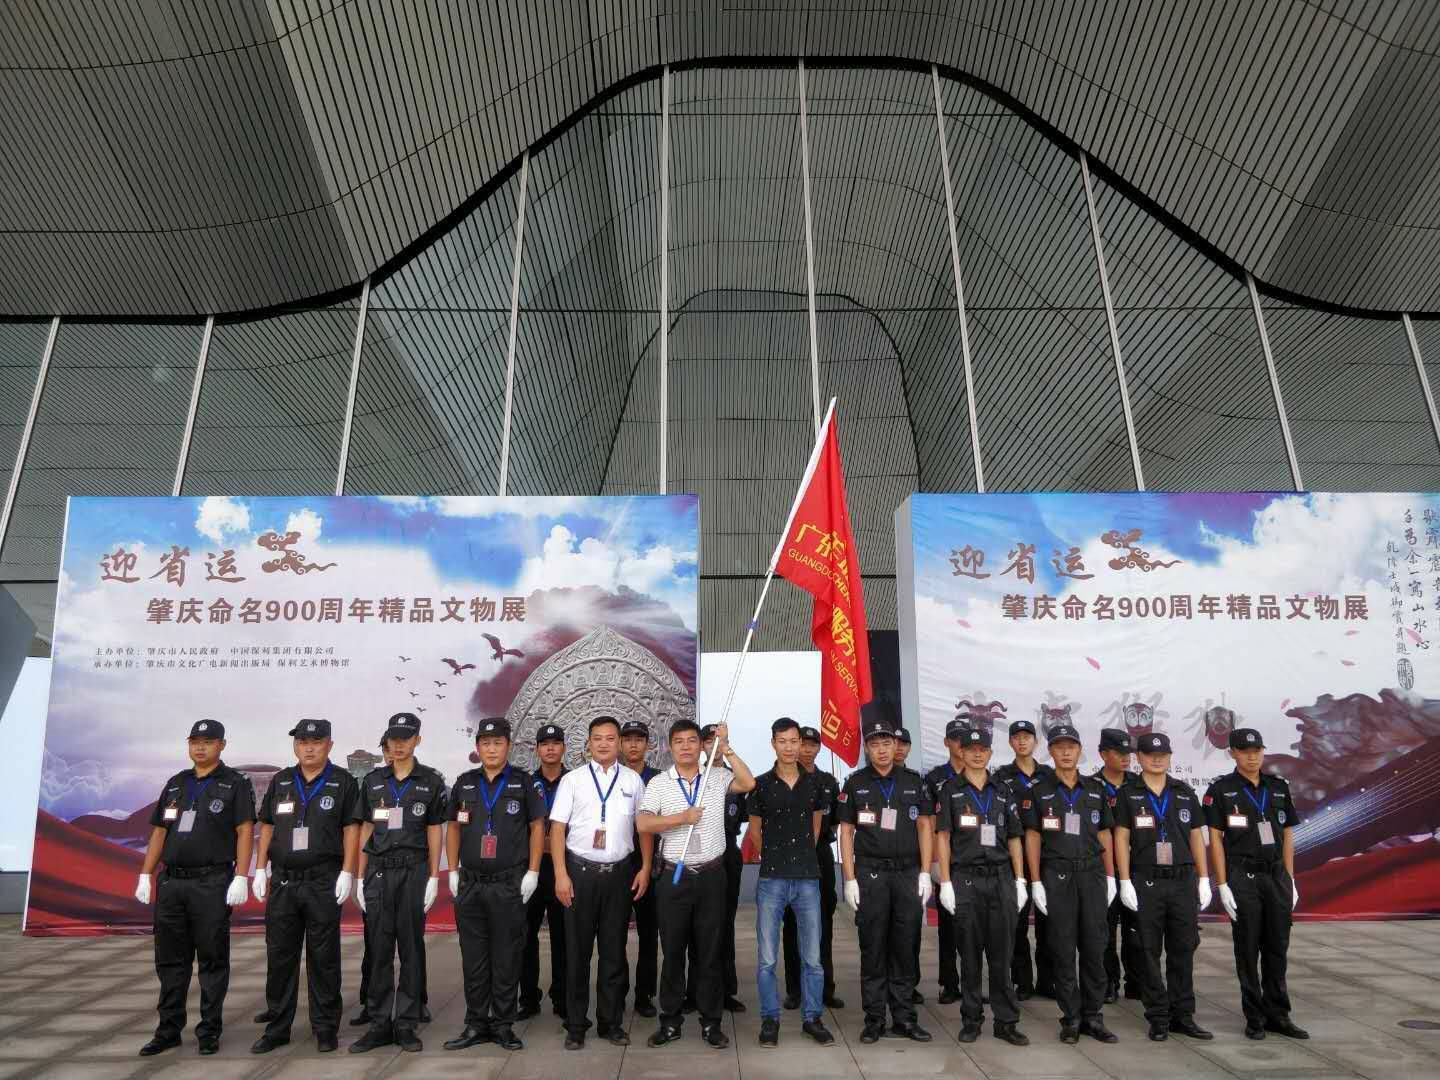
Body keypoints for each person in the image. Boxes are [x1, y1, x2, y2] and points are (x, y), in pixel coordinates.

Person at [135, 719, 256, 1057]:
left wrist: (241, 876)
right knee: (170, 961)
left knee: (212, 959)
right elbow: (160, 831)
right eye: (194, 742)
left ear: (222, 745)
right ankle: (168, 1030)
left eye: (208, 742)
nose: (200, 748)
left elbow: (245, 830)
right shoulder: (177, 783)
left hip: (211, 882)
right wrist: (145, 874)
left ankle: (209, 1030)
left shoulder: (234, 783)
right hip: (173, 883)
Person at [637, 719, 756, 1048]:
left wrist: (726, 747)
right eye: (679, 741)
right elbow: (644, 822)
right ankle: (670, 1022)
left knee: (709, 952)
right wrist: (682, 818)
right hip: (674, 877)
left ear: (701, 746)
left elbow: (748, 782)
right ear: (670, 746)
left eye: (692, 740)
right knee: (673, 952)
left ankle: (711, 1022)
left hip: (711, 877)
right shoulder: (660, 783)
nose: (686, 746)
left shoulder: (716, 777)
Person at [250, 718, 361, 1054]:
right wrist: (259, 868)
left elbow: (352, 829)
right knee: (279, 956)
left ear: (329, 745)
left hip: (322, 880)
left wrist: (348, 872)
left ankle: (325, 1027)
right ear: (295, 745)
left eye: (316, 742)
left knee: (323, 958)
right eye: (302, 742)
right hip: (284, 881)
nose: (308, 748)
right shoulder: (282, 780)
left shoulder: (342, 781)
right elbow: (267, 825)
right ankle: (277, 1028)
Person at [443, 717, 545, 1052]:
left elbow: (537, 827)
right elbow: (454, 827)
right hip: (471, 884)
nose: (491, 749)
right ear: (477, 747)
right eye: (485, 743)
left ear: (508, 746)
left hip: (507, 884)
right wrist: (453, 870)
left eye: (497, 743)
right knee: (473, 957)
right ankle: (475, 1024)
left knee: (506, 956)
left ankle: (503, 1025)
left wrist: (533, 871)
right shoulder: (465, 784)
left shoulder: (523, 782)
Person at [549, 715, 651, 1050]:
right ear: (588, 743)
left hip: (619, 875)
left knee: (613, 953)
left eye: (610, 738)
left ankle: (611, 1023)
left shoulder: (633, 781)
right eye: (597, 738)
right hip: (579, 874)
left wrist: (645, 867)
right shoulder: (573, 781)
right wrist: (561, 874)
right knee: (576, 954)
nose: (604, 744)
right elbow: (557, 829)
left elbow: (643, 827)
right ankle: (576, 1025)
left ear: (619, 743)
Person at [350, 712, 446, 1054]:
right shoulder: (373, 781)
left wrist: (434, 876)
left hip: (412, 871)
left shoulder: (430, 782)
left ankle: (406, 1023)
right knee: (378, 948)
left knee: (410, 947)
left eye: (405, 738)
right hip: (378, 871)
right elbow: (365, 828)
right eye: (393, 739)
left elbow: (434, 831)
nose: (399, 745)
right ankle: (379, 1023)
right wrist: (359, 876)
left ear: (417, 740)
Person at [1205, 727, 1308, 1041]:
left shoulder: (1277, 787)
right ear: (1233, 753)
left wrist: (1290, 878)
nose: (1252, 757)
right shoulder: (1222, 790)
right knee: (1248, 949)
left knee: (1277, 947)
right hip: (1243, 876)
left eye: (1257, 751)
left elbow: (1288, 834)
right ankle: (1255, 1017)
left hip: (1275, 876)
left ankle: (1279, 1014)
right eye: (1245, 751)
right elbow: (1215, 839)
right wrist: (1223, 884)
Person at [836, 718, 933, 1044]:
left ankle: (904, 1018)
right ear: (867, 748)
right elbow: (846, 832)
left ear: (896, 746)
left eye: (887, 743)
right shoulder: (855, 783)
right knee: (873, 947)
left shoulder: (914, 783)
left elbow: (925, 827)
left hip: (907, 873)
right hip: (871, 874)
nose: (881, 750)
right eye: (875, 744)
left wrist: (925, 872)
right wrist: (849, 878)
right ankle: (875, 1019)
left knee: (905, 947)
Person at [1114, 731, 1213, 1042]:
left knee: (1183, 949)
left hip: (1182, 881)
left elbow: (1196, 835)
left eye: (1162, 755)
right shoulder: (1128, 794)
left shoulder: (1184, 792)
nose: (1156, 760)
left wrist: (1204, 877)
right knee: (1148, 951)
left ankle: (1183, 1015)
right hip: (1147, 881)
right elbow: (1121, 838)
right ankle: (1158, 1016)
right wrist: (1125, 880)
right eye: (1150, 755)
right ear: (1139, 758)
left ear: (1170, 757)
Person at [1022, 722, 1118, 1044]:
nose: (1066, 752)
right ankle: (1071, 1018)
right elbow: (1032, 837)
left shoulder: (1095, 789)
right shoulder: (1039, 791)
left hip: (1092, 874)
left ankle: (1093, 1016)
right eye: (1060, 747)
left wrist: (1111, 876)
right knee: (1062, 949)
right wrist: (1036, 881)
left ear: (1080, 750)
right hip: (1057, 874)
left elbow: (1105, 834)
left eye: (1071, 747)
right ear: (1050, 751)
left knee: (1095, 947)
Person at [934, 725, 1030, 1046]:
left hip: (1001, 877)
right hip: (966, 879)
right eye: (971, 749)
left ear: (989, 752)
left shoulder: (1003, 790)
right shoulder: (950, 790)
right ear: (961, 752)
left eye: (983, 749)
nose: (977, 754)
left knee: (1002, 955)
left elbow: (1015, 838)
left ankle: (1006, 1022)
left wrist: (1020, 879)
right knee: (970, 954)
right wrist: (945, 881)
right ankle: (971, 1020)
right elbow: (943, 837)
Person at [748, 717, 835, 1048]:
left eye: (794, 741)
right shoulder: (760, 785)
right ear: (773, 744)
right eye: (782, 741)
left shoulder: (815, 785)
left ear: (800, 743)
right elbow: (755, 832)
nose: (789, 747)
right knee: (767, 959)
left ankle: (812, 1018)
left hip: (808, 879)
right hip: (772, 879)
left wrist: (800, 856)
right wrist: (775, 856)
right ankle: (770, 1019)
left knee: (812, 958)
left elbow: (815, 827)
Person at [782, 725, 842, 1010]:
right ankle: (795, 990)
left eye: (812, 745)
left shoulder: (828, 781)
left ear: (819, 748)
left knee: (823, 922)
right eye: (802, 744)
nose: (806, 750)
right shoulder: (785, 778)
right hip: (791, 856)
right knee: (793, 923)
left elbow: (837, 820)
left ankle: (825, 988)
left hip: (820, 855)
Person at [994, 718, 1055, 999]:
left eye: (1027, 737)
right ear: (1010, 742)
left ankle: (1048, 980)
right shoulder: (1001, 777)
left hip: (1047, 858)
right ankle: (1023, 982)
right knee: (1016, 923)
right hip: (1013, 859)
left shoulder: (1049, 775)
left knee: (1048, 922)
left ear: (1036, 742)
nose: (1022, 741)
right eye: (1016, 737)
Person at [520, 722, 568, 1021]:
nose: (550, 748)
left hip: (563, 868)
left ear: (563, 748)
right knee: (525, 935)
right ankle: (528, 998)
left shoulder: (575, 781)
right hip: (533, 868)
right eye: (545, 744)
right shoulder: (526, 782)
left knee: (564, 936)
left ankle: (562, 997)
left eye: (555, 743)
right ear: (537, 749)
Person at [923, 717, 972, 1003]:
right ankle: (949, 984)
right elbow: (929, 822)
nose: (961, 744)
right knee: (948, 926)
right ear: (946, 742)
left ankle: (971, 984)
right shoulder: (935, 778)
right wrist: (933, 861)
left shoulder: (979, 774)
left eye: (965, 739)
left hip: (973, 859)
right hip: (946, 859)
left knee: (973, 928)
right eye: (955, 739)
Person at [1094, 728, 1143, 1003]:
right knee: (1105, 929)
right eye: (1119, 752)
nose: (1126, 758)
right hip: (1102, 868)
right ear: (1103, 754)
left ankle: (1135, 981)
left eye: (1129, 753)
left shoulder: (1138, 784)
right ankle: (1108, 982)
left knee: (1137, 928)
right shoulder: (1091, 786)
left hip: (1137, 866)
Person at [620, 719, 662, 1018]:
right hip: (620, 864)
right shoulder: (614, 777)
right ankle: (617, 991)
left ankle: (645, 994)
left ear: (648, 744)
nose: (633, 744)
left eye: (639, 739)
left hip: (651, 865)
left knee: (649, 934)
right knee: (615, 935)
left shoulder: (659, 779)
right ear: (621, 744)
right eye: (628, 739)